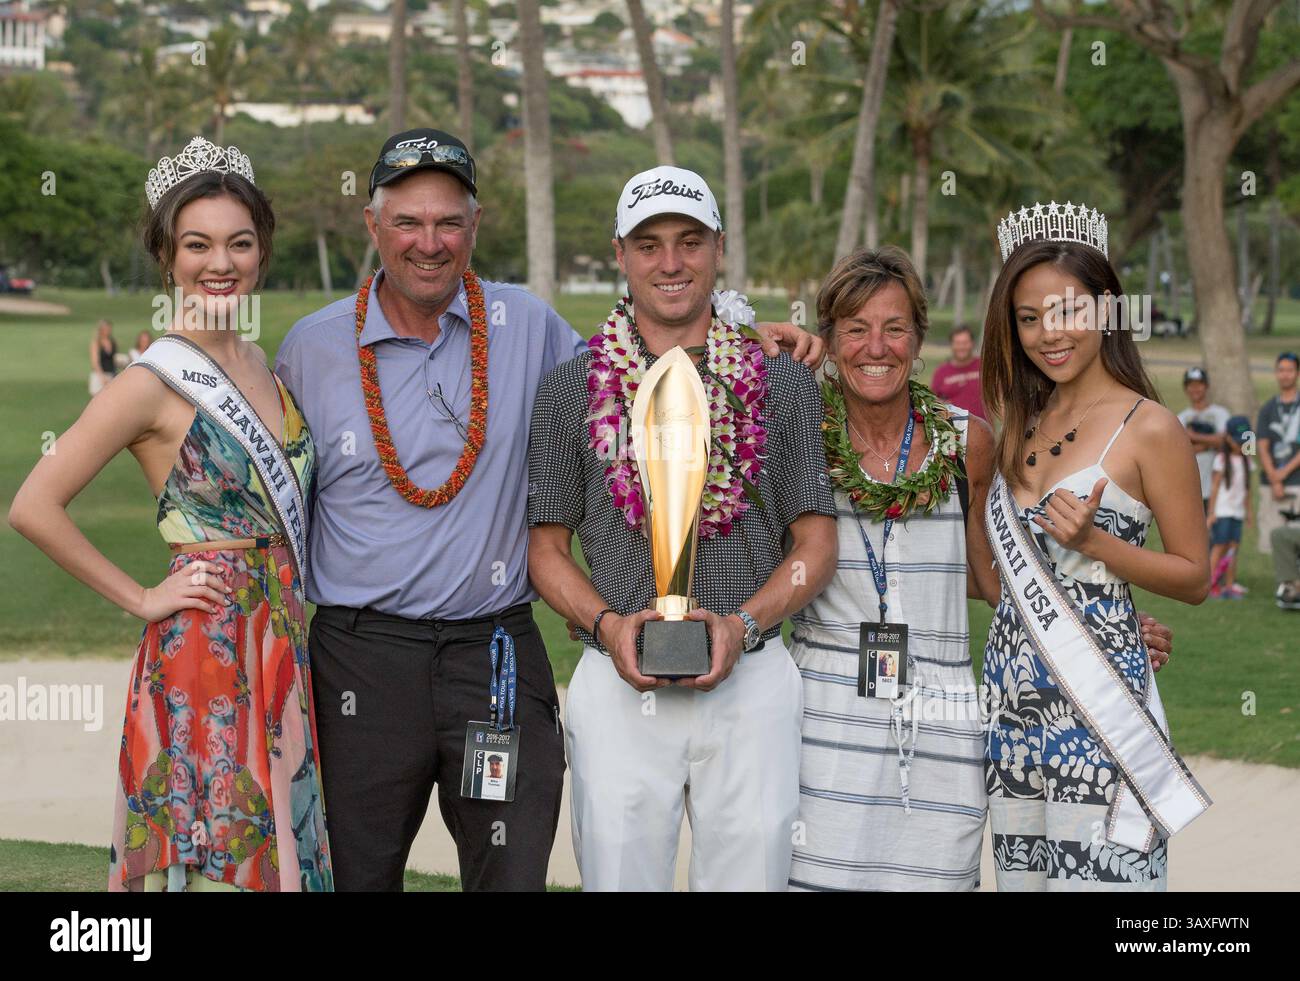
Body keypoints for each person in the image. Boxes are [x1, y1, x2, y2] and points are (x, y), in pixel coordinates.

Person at [275, 134, 824, 892]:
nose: (429, 242)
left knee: (511, 872)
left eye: (449, 223)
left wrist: (743, 336)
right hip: (363, 661)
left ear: (475, 227)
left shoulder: (527, 325)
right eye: (407, 222)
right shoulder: (310, 348)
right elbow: (269, 500)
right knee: (355, 875)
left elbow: (658, 358)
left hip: (492, 656)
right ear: (373, 227)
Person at [788, 247, 1175, 893]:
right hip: (824, 715)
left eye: (895, 327)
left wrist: (1099, 622)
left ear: (920, 338)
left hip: (942, 718)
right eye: (854, 328)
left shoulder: (967, 439)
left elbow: (986, 574)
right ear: (827, 340)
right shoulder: (799, 432)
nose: (875, 346)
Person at [8, 136, 332, 891]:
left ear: (262, 251)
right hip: (206, 644)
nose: (221, 262)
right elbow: (33, 506)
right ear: (167, 256)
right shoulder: (150, 381)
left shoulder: (262, 363)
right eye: (198, 244)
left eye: (239, 243)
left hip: (281, 637)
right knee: (218, 849)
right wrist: (144, 597)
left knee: (279, 846)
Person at [527, 165, 839, 891]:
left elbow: (815, 543)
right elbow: (545, 549)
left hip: (751, 683)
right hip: (615, 680)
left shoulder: (779, 377)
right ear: (620, 254)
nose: (670, 263)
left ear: (719, 248)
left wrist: (744, 625)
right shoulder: (570, 387)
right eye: (650, 244)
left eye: (689, 242)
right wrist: (608, 626)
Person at [980, 203, 1210, 892]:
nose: (1049, 334)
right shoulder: (1020, 422)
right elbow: (1005, 580)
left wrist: (1098, 544)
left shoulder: (1151, 427)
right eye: (1028, 317)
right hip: (1012, 699)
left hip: (1097, 706)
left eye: (1068, 311)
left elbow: (1195, 575)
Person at [1256, 352, 1300, 555]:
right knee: (1274, 542)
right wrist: (1274, 478)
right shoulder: (1268, 408)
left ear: (1297, 373)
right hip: (1272, 485)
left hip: (1296, 482)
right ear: (1276, 373)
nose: (1285, 375)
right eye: (1281, 370)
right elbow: (1262, 446)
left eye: (1289, 370)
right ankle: (1284, 585)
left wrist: (1282, 475)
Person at [1206, 415, 1253, 599]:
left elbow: (1247, 489)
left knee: (1234, 547)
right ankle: (1209, 584)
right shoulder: (1221, 460)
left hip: (1237, 512)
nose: (1241, 445)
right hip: (1223, 511)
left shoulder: (1247, 460)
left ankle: (1229, 585)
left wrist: (1249, 511)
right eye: (1237, 441)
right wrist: (1211, 513)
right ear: (1227, 438)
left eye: (1245, 441)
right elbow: (1215, 487)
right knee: (1219, 547)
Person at [1176, 366, 1230, 512]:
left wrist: (1193, 437)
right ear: (1186, 388)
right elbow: (1178, 453)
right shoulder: (1180, 418)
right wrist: (1210, 443)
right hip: (1192, 488)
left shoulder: (1220, 413)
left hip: (1219, 486)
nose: (1195, 389)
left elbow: (1226, 442)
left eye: (1199, 384)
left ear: (1206, 386)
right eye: (1191, 385)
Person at [930, 324, 985, 419]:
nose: (961, 347)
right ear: (952, 345)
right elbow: (932, 402)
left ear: (972, 343)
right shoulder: (941, 372)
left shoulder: (984, 367)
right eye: (958, 343)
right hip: (953, 430)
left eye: (965, 342)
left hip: (983, 429)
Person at [89, 319, 118, 395]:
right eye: (106, 329)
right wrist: (102, 377)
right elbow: (95, 362)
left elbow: (114, 358)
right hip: (100, 375)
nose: (108, 331)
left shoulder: (113, 342)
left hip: (111, 374)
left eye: (109, 328)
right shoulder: (96, 343)